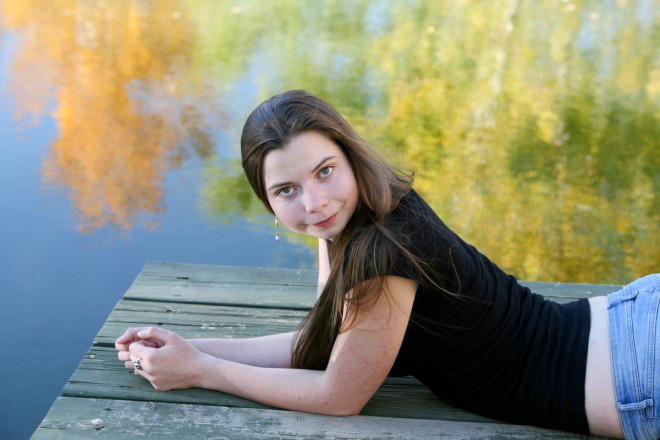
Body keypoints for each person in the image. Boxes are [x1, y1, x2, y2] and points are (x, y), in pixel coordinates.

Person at [116, 90, 658, 439]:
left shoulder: (384, 253)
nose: (314, 203)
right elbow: (325, 343)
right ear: (268, 201)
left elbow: (339, 395)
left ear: (349, 156)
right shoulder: (366, 209)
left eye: (325, 172)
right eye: (287, 190)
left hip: (633, 372)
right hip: (627, 324)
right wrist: (188, 347)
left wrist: (204, 372)